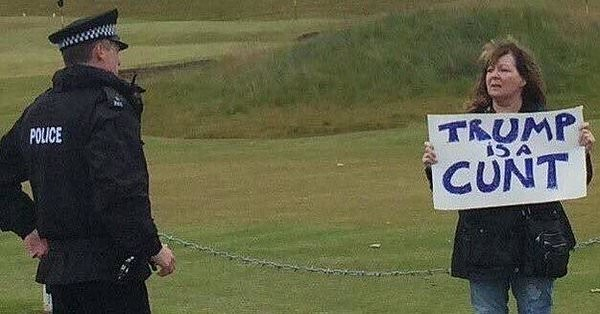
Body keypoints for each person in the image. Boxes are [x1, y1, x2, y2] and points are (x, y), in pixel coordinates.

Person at [0, 9, 175, 313]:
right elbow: (120, 192)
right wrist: (153, 248)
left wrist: (28, 227)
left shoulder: (39, 110)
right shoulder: (109, 109)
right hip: (112, 274)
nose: (119, 60)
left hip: (61, 275)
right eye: (115, 49)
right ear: (99, 51)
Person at [422, 39, 595, 313]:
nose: (494, 76)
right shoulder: (466, 129)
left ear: (523, 79)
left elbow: (573, 180)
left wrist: (581, 151)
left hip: (536, 242)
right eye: (490, 70)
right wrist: (434, 166)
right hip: (483, 244)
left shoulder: (546, 125)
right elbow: (453, 187)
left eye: (503, 70)